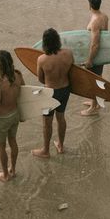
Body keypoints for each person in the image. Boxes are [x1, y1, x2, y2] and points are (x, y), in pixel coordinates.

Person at [31, 28, 73, 158]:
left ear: (45, 43)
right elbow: (73, 73)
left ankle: (46, 150)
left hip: (48, 93)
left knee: (47, 122)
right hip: (65, 90)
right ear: (58, 40)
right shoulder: (68, 54)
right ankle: (60, 145)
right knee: (61, 118)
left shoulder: (42, 59)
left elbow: (40, 78)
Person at [0, 50, 24, 182]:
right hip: (15, 115)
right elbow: (24, 93)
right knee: (13, 141)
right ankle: (13, 169)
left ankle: (5, 175)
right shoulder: (17, 75)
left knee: (1, 146)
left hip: (3, 118)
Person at [81, 0, 108, 116]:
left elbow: (95, 44)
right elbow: (106, 37)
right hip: (101, 53)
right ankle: (95, 102)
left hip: (95, 55)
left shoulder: (95, 21)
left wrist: (89, 60)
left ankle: (93, 108)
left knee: (93, 81)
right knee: (98, 78)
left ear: (90, 5)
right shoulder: (104, 16)